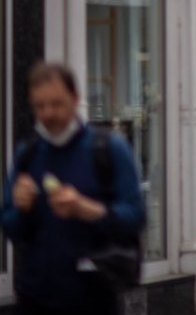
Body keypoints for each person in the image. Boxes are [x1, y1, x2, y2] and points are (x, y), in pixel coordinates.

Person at [2, 63, 145, 315]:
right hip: (35, 299)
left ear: (75, 98)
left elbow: (135, 217)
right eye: (39, 106)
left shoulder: (109, 149)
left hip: (94, 300)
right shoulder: (28, 154)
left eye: (56, 104)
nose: (48, 114)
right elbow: (11, 227)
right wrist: (22, 209)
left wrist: (87, 210)